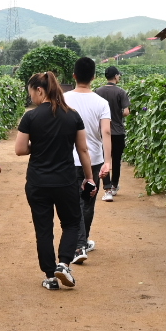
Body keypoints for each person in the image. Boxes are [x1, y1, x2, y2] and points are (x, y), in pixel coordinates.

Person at [14, 71, 95, 290]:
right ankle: (64, 263)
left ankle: (50, 276)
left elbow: (20, 149)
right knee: (70, 223)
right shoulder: (72, 115)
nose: (31, 97)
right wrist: (89, 178)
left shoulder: (30, 117)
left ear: (39, 90)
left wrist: (38, 145)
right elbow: (83, 150)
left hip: (38, 182)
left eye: (31, 92)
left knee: (43, 229)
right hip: (65, 180)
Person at [62, 57, 112, 264]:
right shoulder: (101, 102)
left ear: (73, 76)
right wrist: (108, 161)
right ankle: (82, 241)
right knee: (88, 201)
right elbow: (106, 132)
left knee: (74, 202)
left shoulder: (63, 99)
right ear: (93, 77)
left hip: (69, 159)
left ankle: (79, 244)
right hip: (94, 159)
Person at [94, 66, 130, 201]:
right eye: (118, 76)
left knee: (104, 160)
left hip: (103, 132)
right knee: (116, 160)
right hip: (118, 131)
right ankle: (114, 186)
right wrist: (117, 114)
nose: (119, 77)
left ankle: (107, 189)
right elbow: (126, 112)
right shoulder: (121, 92)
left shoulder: (98, 91)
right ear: (115, 76)